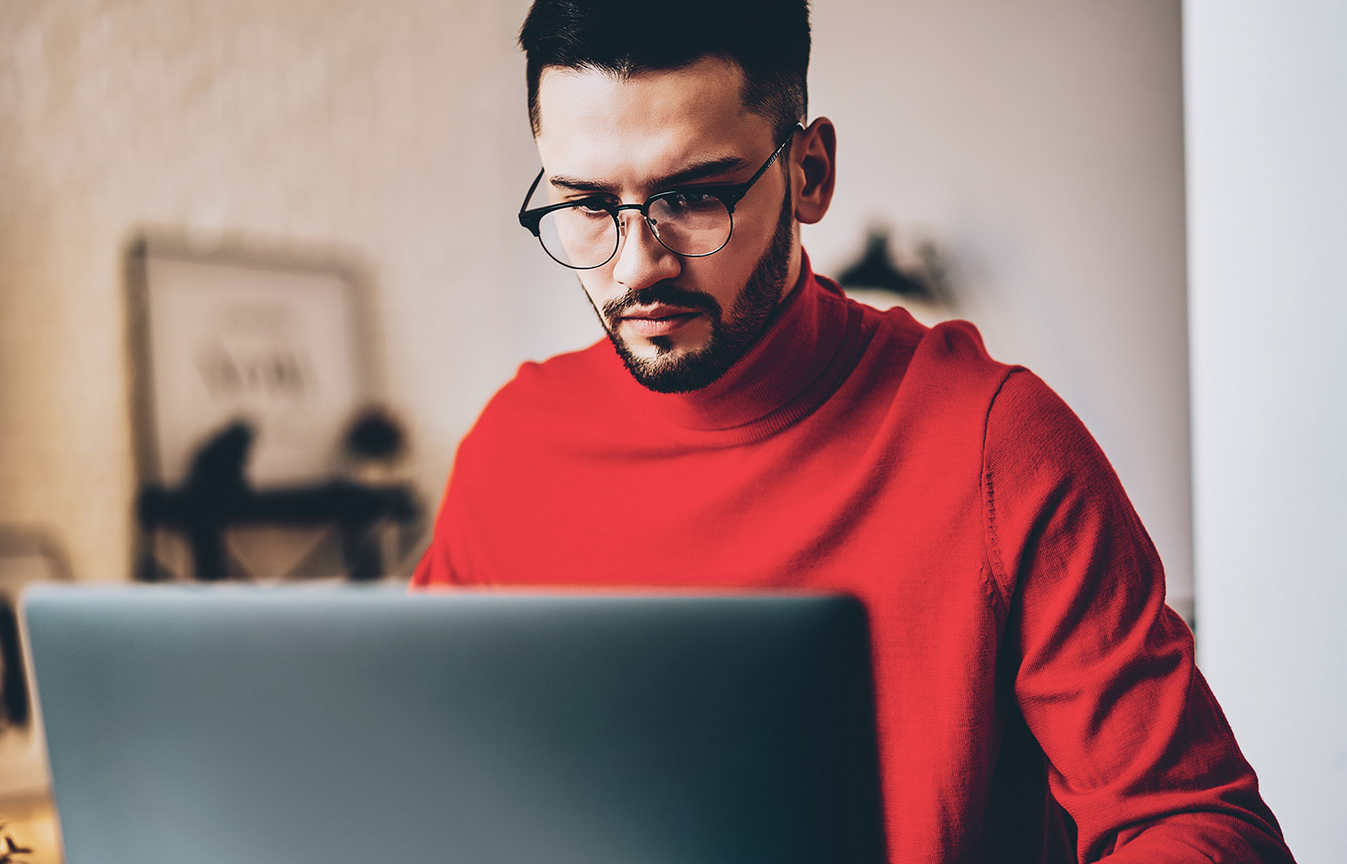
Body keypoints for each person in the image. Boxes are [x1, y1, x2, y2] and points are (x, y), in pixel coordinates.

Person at [411, 2, 1293, 862]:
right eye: (589, 205)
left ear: (810, 173)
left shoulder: (997, 445)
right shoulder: (511, 449)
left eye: (694, 197)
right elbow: (421, 785)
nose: (636, 264)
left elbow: (1202, 826)